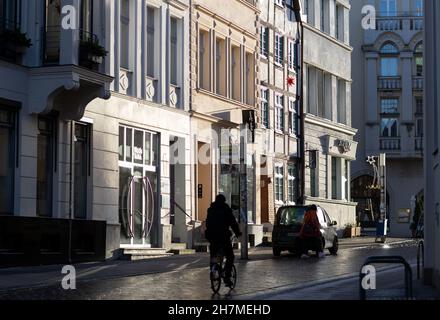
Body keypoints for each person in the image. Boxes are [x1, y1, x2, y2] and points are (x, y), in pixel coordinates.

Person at [205, 194, 242, 287]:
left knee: (214, 255)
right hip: (223, 237)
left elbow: (208, 223)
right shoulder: (226, 209)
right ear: (224, 201)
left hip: (212, 237)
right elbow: (233, 222)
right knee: (230, 256)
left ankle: (213, 270)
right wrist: (237, 233)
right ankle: (227, 277)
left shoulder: (210, 209)